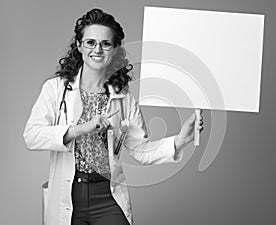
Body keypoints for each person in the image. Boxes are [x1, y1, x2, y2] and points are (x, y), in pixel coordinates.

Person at [23, 8, 203, 225]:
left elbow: (141, 150)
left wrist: (179, 141)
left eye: (105, 44)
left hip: (107, 195)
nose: (97, 49)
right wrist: (81, 128)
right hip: (68, 193)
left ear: (115, 50)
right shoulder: (55, 89)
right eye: (90, 42)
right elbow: (32, 136)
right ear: (79, 46)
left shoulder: (123, 97)